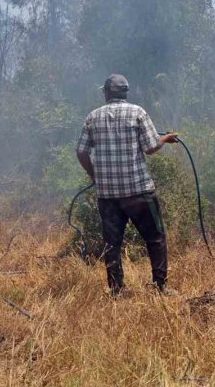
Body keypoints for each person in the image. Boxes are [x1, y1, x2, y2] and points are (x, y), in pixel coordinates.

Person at [75, 73, 179, 297]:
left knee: (112, 244)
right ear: (125, 93)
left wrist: (93, 175)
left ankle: (116, 290)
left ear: (106, 93)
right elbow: (151, 147)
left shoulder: (93, 117)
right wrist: (165, 138)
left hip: (108, 195)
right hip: (139, 191)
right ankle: (160, 287)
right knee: (155, 238)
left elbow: (81, 152)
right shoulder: (138, 112)